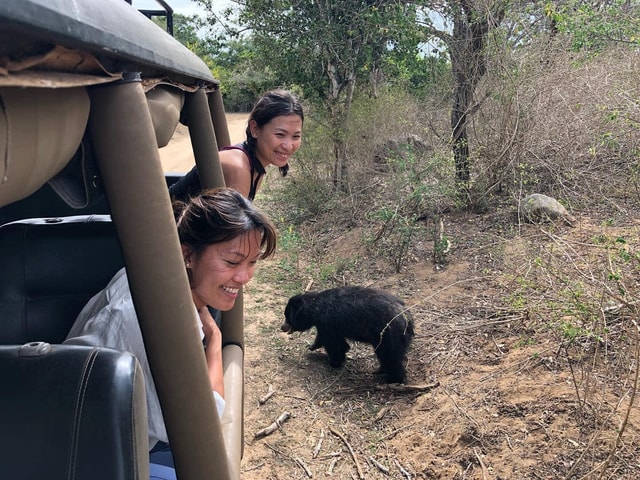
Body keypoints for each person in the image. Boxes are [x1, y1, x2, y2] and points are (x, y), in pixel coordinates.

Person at [64, 188, 278, 477]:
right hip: (86, 458)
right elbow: (206, 420)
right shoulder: (162, 319)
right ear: (188, 255)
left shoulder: (150, 276)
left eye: (251, 262)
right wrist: (215, 342)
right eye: (231, 262)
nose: (244, 277)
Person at [169, 89, 304, 201]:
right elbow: (235, 232)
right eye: (280, 134)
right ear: (255, 129)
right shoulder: (239, 167)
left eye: (296, 136)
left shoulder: (256, 166)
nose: (288, 145)